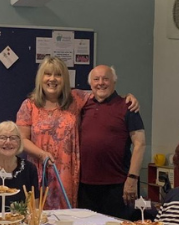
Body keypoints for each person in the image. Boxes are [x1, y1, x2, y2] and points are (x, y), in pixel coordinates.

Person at [17, 56, 138, 210]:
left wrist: (128, 97)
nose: (52, 79)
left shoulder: (77, 98)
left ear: (65, 79)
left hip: (69, 174)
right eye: (48, 74)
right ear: (41, 78)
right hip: (40, 171)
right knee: (38, 218)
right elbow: (22, 139)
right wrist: (42, 154)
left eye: (58, 75)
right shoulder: (29, 106)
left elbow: (103, 92)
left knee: (67, 222)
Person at [77, 65, 145, 218]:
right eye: (96, 79)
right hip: (86, 186)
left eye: (106, 79)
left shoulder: (128, 106)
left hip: (118, 186)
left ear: (114, 82)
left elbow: (140, 144)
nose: (101, 83)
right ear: (90, 84)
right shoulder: (83, 106)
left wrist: (132, 179)